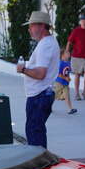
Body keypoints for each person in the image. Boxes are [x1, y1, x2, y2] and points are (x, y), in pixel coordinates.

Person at [16, 11, 60, 149]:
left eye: (31, 26)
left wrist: (23, 69)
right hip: (41, 94)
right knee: (36, 132)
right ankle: (41, 163)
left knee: (35, 135)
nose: (29, 29)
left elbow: (41, 74)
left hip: (39, 95)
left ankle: (40, 165)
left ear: (42, 26)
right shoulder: (48, 42)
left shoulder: (45, 45)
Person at [54, 48, 77, 114]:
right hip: (59, 82)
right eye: (67, 53)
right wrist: (65, 78)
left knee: (67, 96)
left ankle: (70, 109)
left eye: (69, 53)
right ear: (62, 55)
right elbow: (58, 74)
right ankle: (49, 106)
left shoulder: (68, 63)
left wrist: (68, 78)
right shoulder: (60, 63)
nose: (69, 54)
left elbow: (67, 72)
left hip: (65, 83)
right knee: (54, 96)